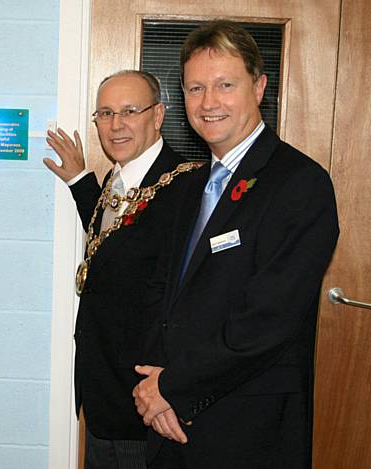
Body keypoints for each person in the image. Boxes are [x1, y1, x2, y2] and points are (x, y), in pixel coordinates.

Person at [132, 20, 339, 469]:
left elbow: (268, 321)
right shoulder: (189, 186)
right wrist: (153, 385)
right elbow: (160, 292)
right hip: (170, 419)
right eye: (195, 88)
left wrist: (172, 388)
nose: (209, 103)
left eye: (225, 85)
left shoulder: (300, 184)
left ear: (259, 86)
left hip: (247, 424)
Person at [44, 70, 200, 468]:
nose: (115, 125)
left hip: (147, 399)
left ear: (159, 114)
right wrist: (81, 181)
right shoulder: (120, 179)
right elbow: (120, 246)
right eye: (105, 113)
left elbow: (199, 295)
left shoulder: (189, 187)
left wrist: (175, 381)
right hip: (103, 390)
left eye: (130, 111)